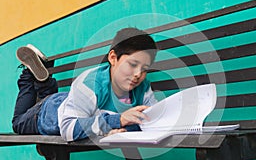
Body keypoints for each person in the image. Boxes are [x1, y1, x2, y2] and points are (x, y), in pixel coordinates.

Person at [12, 27, 158, 141]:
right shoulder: (90, 82)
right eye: (132, 64)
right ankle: (29, 74)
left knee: (51, 97)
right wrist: (117, 121)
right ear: (113, 58)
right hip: (48, 112)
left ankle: (44, 76)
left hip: (73, 102)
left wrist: (111, 129)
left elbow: (152, 122)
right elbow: (68, 129)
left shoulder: (143, 87)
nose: (138, 74)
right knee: (18, 123)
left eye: (145, 69)